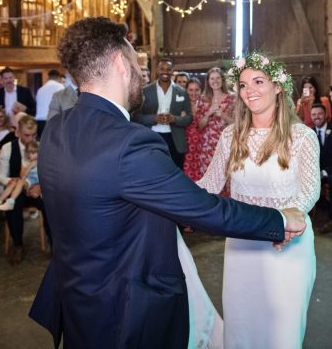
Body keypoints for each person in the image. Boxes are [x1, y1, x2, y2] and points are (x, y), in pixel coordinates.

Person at [29, 17, 306, 349]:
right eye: (136, 63)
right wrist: (278, 220)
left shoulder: (56, 130)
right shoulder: (129, 143)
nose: (140, 73)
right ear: (120, 63)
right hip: (125, 312)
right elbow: (204, 209)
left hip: (76, 298)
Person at [195, 52, 319, 348]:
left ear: (278, 86)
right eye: (242, 84)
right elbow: (209, 185)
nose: (248, 90)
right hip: (242, 245)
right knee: (243, 327)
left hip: (288, 245)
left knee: (282, 331)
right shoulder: (230, 136)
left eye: (258, 81)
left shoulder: (301, 136)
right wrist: (162, 191)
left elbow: (309, 190)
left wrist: (288, 222)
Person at [0, 115, 47, 264]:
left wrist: (40, 186)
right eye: (27, 135)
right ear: (17, 132)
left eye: (33, 135)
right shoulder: (7, 148)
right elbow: (0, 176)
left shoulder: (40, 147)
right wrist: (13, 181)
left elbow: (50, 173)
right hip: (16, 190)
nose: (30, 138)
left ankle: (55, 242)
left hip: (35, 189)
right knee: (14, 203)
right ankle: (18, 244)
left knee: (51, 202)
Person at [133, 58, 192, 169]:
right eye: (162, 69)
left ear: (172, 71)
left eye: (168, 69)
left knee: (176, 170)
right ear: (157, 70)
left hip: (175, 140)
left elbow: (189, 118)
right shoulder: (145, 91)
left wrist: (175, 119)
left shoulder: (182, 92)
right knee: (153, 169)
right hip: (152, 137)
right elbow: (135, 117)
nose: (165, 72)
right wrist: (153, 118)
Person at [195, 67, 234, 183]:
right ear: (208, 81)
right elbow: (199, 126)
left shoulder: (232, 98)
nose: (215, 81)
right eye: (212, 78)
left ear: (222, 80)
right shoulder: (202, 99)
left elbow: (237, 124)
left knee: (226, 178)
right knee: (209, 179)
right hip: (207, 146)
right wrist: (208, 113)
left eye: (218, 78)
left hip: (226, 145)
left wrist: (222, 114)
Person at [311, 103, 332, 234]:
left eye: (319, 114)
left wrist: (324, 172)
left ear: (326, 115)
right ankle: (331, 208)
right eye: (313, 115)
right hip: (316, 172)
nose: (316, 117)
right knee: (305, 183)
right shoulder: (310, 133)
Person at [0, 140, 39, 212]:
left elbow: (25, 174)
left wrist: (22, 179)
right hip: (29, 181)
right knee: (12, 183)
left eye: (34, 153)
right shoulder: (29, 162)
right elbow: (23, 174)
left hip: (33, 182)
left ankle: (11, 202)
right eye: (29, 153)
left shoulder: (34, 163)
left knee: (20, 182)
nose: (31, 155)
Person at [183, 77, 208, 181]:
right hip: (186, 146)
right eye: (191, 90)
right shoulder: (182, 105)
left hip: (202, 146)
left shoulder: (206, 105)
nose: (194, 93)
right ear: (186, 91)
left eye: (197, 90)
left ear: (201, 90)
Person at [35, 69, 64, 136]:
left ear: (48, 77)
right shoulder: (60, 87)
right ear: (59, 78)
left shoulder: (40, 89)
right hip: (53, 121)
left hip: (39, 122)